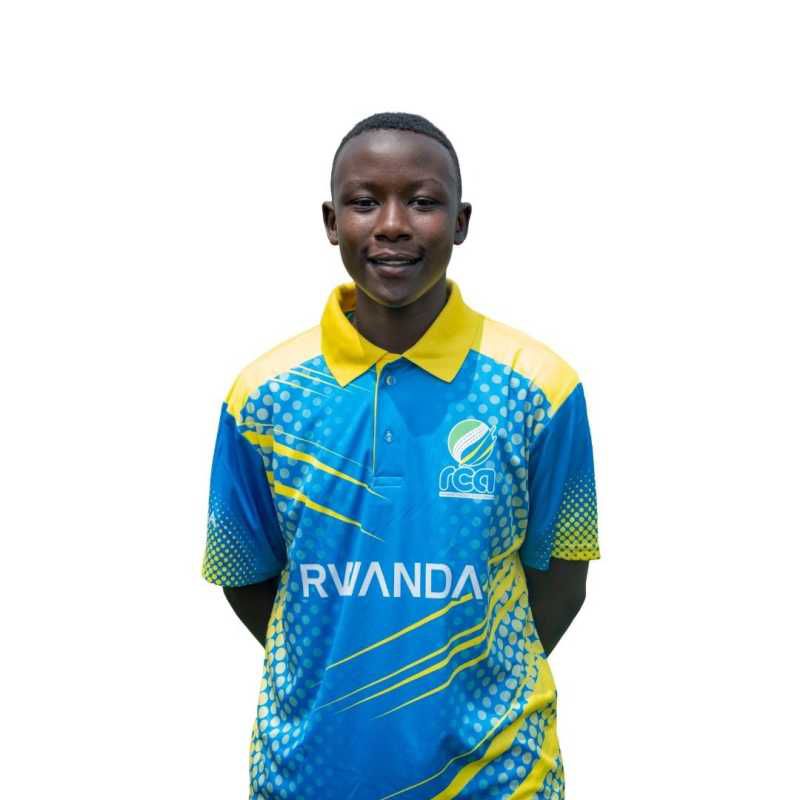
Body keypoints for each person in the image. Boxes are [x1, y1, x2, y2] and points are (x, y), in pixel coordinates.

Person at [202, 112, 600, 799]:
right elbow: (247, 576)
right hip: (311, 776)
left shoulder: (540, 388)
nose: (392, 224)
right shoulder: (264, 396)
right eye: (364, 202)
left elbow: (562, 583)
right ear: (331, 222)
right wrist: (340, 670)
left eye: (421, 201)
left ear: (461, 221)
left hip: (498, 777)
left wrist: (466, 679)